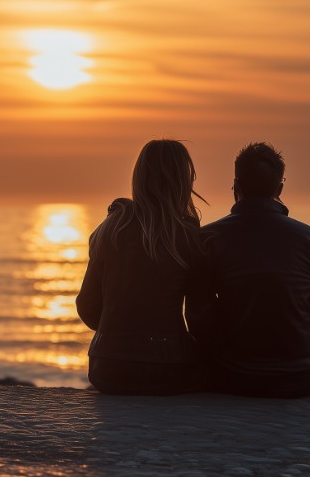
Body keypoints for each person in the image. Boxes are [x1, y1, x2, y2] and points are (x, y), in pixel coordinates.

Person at [193, 142, 310, 398]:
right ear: (280, 188)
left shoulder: (208, 238)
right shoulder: (308, 238)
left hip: (232, 374)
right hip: (300, 377)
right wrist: (296, 332)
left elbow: (198, 317)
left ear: (236, 186)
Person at [76, 139, 210, 395]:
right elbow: (200, 315)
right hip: (166, 368)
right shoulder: (187, 232)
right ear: (183, 181)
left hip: (106, 367)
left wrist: (120, 337)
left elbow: (87, 306)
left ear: (139, 177)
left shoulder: (110, 228)